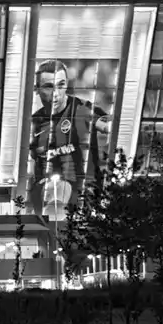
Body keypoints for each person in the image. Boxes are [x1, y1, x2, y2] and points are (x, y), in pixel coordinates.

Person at [27, 59, 110, 214]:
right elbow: (31, 164)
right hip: (49, 196)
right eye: (48, 87)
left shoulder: (83, 109)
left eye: (61, 85)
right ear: (37, 89)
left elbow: (110, 127)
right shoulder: (35, 124)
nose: (56, 94)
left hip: (85, 198)